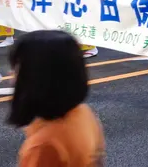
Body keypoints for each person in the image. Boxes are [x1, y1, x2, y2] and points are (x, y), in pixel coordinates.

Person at [8, 30, 105, 167]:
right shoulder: (83, 112)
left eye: (17, 68)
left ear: (37, 77)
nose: (11, 74)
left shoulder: (43, 146)